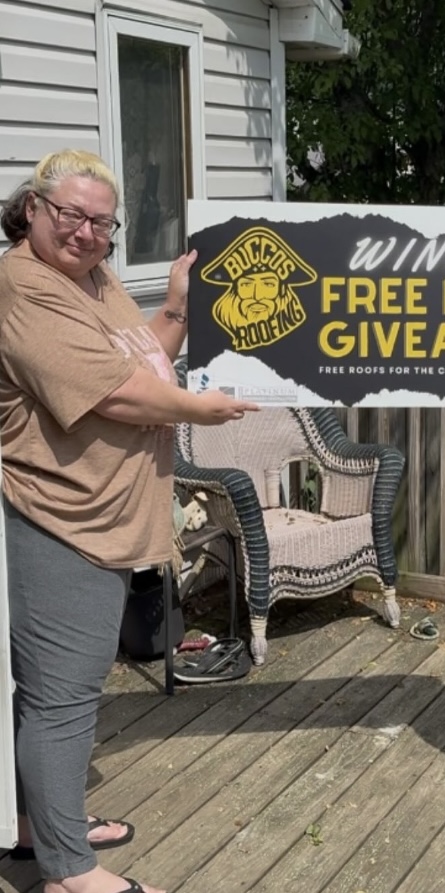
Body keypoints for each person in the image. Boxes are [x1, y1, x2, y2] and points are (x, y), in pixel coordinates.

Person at [0, 149, 257, 893]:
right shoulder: (23, 286)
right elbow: (117, 397)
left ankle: (38, 828)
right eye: (70, 215)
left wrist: (176, 306)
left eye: (102, 223)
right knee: (62, 696)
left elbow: (142, 363)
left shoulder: (94, 279)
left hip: (105, 516)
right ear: (32, 210)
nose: (85, 232)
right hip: (63, 517)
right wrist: (205, 407)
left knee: (56, 689)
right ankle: (67, 872)